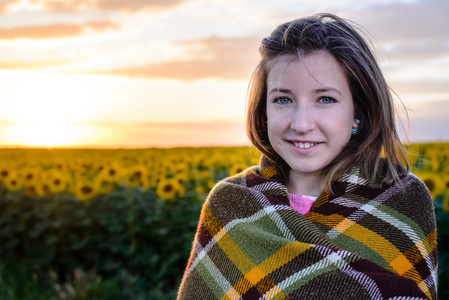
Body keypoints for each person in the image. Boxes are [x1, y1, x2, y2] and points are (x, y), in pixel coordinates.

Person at [177, 13, 437, 299]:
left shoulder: (402, 199)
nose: (301, 124)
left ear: (358, 113)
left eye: (325, 99)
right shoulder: (230, 204)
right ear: (264, 112)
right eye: (283, 99)